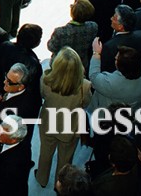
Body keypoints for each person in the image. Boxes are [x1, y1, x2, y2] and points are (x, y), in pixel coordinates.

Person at [36, 47, 92, 188]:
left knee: (45, 153)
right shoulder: (85, 86)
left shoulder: (45, 79)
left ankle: (42, 178)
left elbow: (43, 95)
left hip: (48, 122)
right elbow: (86, 103)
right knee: (65, 159)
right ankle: (60, 184)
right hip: (70, 127)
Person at [89, 43, 141, 111]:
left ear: (121, 66)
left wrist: (96, 53)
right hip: (134, 111)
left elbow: (93, 76)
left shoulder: (111, 83)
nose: (115, 58)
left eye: (116, 59)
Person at [0, 114, 35, 195]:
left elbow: (4, 188)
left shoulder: (12, 165)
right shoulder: (20, 142)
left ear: (13, 140)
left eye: (3, 131)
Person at [47, 0, 98, 71]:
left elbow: (51, 47)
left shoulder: (60, 32)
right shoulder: (93, 27)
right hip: (80, 65)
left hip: (60, 65)